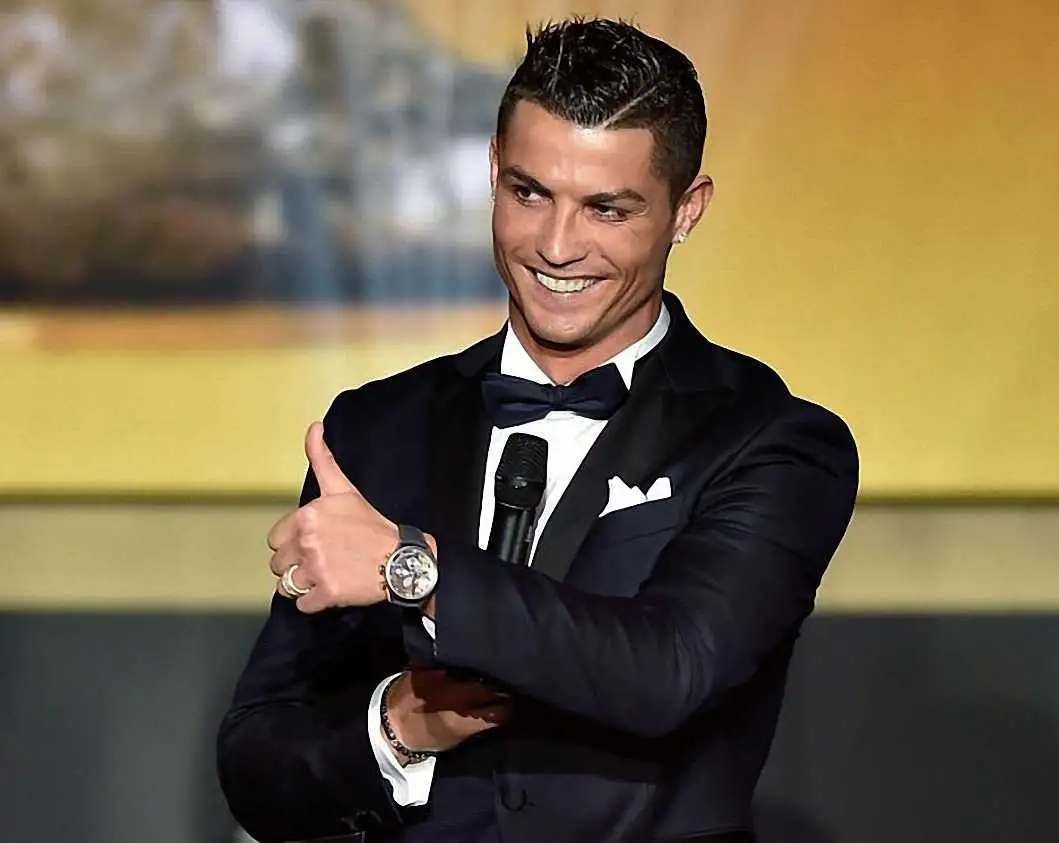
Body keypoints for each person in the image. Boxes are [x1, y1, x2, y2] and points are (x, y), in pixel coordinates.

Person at [217, 17, 858, 843]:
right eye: (529, 193)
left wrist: (416, 569)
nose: (556, 246)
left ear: (686, 210)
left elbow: (670, 669)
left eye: (606, 209)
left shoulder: (772, 440)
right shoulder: (376, 428)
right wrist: (396, 727)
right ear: (493, 170)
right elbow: (258, 763)